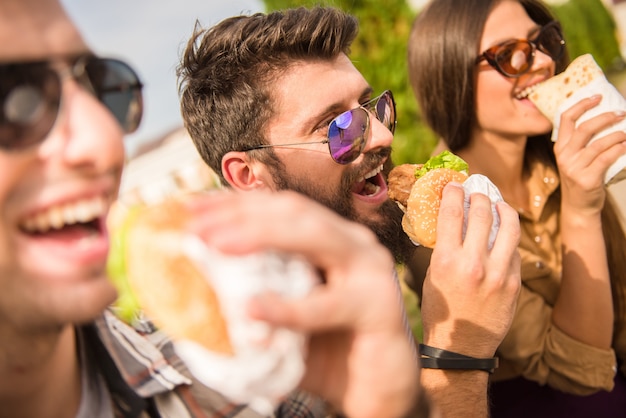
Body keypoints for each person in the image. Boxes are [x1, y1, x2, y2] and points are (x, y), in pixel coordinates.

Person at [0, 0, 439, 416]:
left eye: (97, 84)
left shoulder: (292, 353)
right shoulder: (232, 368)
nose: (105, 137)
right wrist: (459, 355)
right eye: (15, 99)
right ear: (246, 176)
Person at [177, 6, 522, 417]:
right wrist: (458, 352)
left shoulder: (354, 240)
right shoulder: (241, 363)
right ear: (249, 175)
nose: (380, 135)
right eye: (336, 128)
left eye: (370, 107)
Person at [407, 0, 626, 416]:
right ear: (451, 75)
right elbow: (579, 373)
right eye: (510, 54)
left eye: (542, 41)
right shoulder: (438, 216)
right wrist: (581, 211)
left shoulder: (558, 160)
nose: (543, 61)